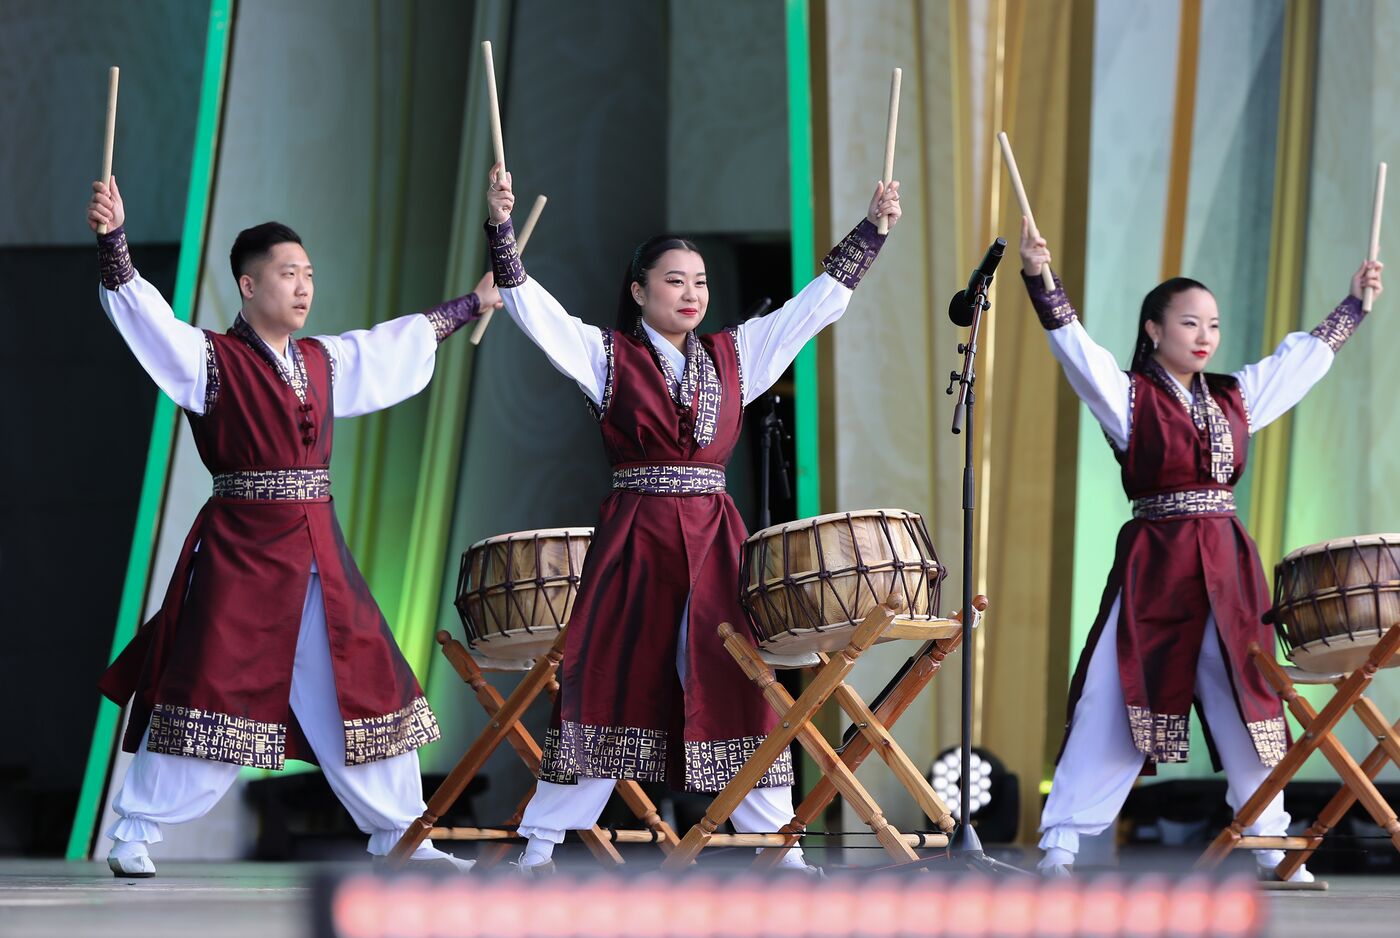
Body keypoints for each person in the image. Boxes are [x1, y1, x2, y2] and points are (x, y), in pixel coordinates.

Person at [481, 164, 901, 872]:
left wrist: (871, 231)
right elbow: (534, 312)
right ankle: (541, 845)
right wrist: (499, 227)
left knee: (736, 677)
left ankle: (779, 849)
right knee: (607, 679)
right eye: (675, 280)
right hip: (636, 539)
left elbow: (813, 308)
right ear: (640, 290)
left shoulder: (736, 356)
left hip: (714, 537)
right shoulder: (606, 356)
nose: (691, 293)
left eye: (700, 282)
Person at [87, 176, 499, 876]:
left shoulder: (321, 360)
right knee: (213, 685)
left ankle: (404, 836)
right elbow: (147, 322)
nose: (304, 286)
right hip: (243, 556)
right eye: (287, 274)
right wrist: (115, 245)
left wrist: (470, 303)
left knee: (367, 680)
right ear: (248, 286)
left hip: (319, 555)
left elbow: (391, 345)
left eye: (309, 274)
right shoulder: (210, 360)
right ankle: (134, 829)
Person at [1019, 217, 1383, 880]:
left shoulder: (1234, 398)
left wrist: (1353, 306)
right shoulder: (1127, 397)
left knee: (1250, 696)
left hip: (1226, 563)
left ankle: (1271, 840)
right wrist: (1043, 280)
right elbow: (1077, 351)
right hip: (1158, 562)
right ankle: (1063, 842)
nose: (1205, 336)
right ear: (1155, 329)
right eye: (1190, 323)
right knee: (1117, 687)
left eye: (1212, 325)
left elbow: (1296, 363)